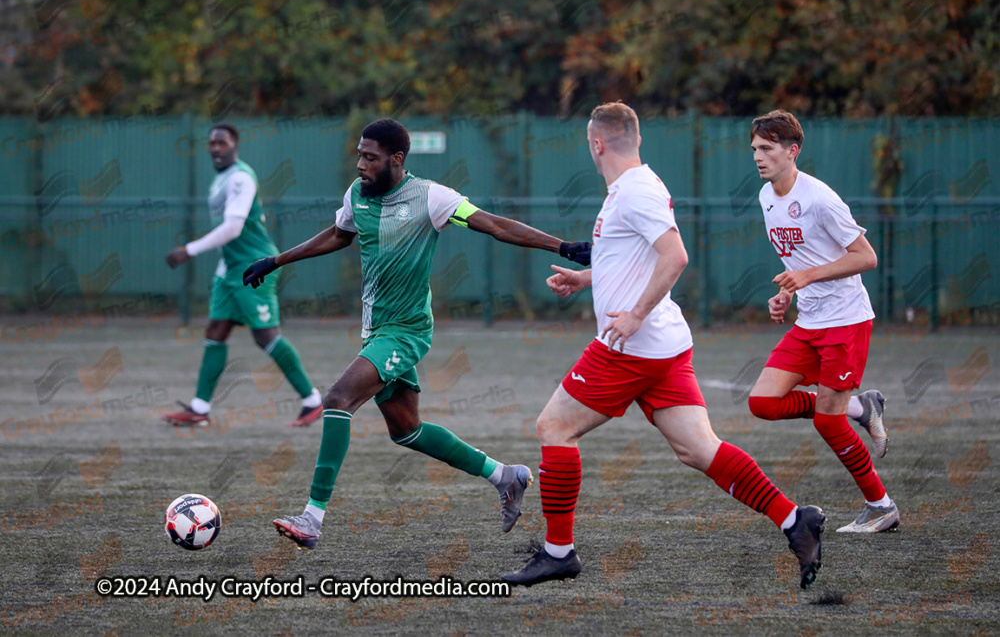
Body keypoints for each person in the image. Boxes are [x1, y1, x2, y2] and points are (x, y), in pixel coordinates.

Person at [502, 102, 826, 590]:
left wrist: (634, 314)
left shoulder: (633, 192)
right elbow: (633, 258)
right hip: (663, 348)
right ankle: (793, 520)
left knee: (554, 427)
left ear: (596, 143)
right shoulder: (631, 189)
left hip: (629, 348)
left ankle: (558, 553)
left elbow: (675, 257)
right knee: (699, 450)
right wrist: (585, 278)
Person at [241, 118, 592, 548]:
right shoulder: (357, 195)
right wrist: (276, 261)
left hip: (406, 331)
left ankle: (312, 519)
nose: (360, 165)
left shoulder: (432, 198)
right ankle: (506, 476)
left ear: (397, 158)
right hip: (376, 331)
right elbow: (338, 234)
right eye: (358, 155)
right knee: (406, 429)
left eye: (370, 157)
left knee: (337, 401)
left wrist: (562, 247)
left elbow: (496, 225)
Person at [746, 110, 898, 534]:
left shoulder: (819, 197)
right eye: (755, 149)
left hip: (845, 322)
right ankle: (859, 406)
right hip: (809, 321)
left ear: (792, 151)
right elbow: (800, 260)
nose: (758, 157)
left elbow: (866, 257)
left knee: (827, 422)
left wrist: (806, 277)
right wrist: (785, 295)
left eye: (767, 149)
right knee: (763, 402)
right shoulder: (766, 197)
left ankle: (881, 506)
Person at [161, 124, 324, 428]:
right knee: (216, 331)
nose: (214, 147)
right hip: (230, 270)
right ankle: (199, 408)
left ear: (235, 144)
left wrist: (189, 250)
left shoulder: (240, 177)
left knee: (266, 336)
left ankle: (313, 401)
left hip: (254, 266)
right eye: (211, 142)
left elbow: (234, 229)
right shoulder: (221, 178)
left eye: (221, 141)